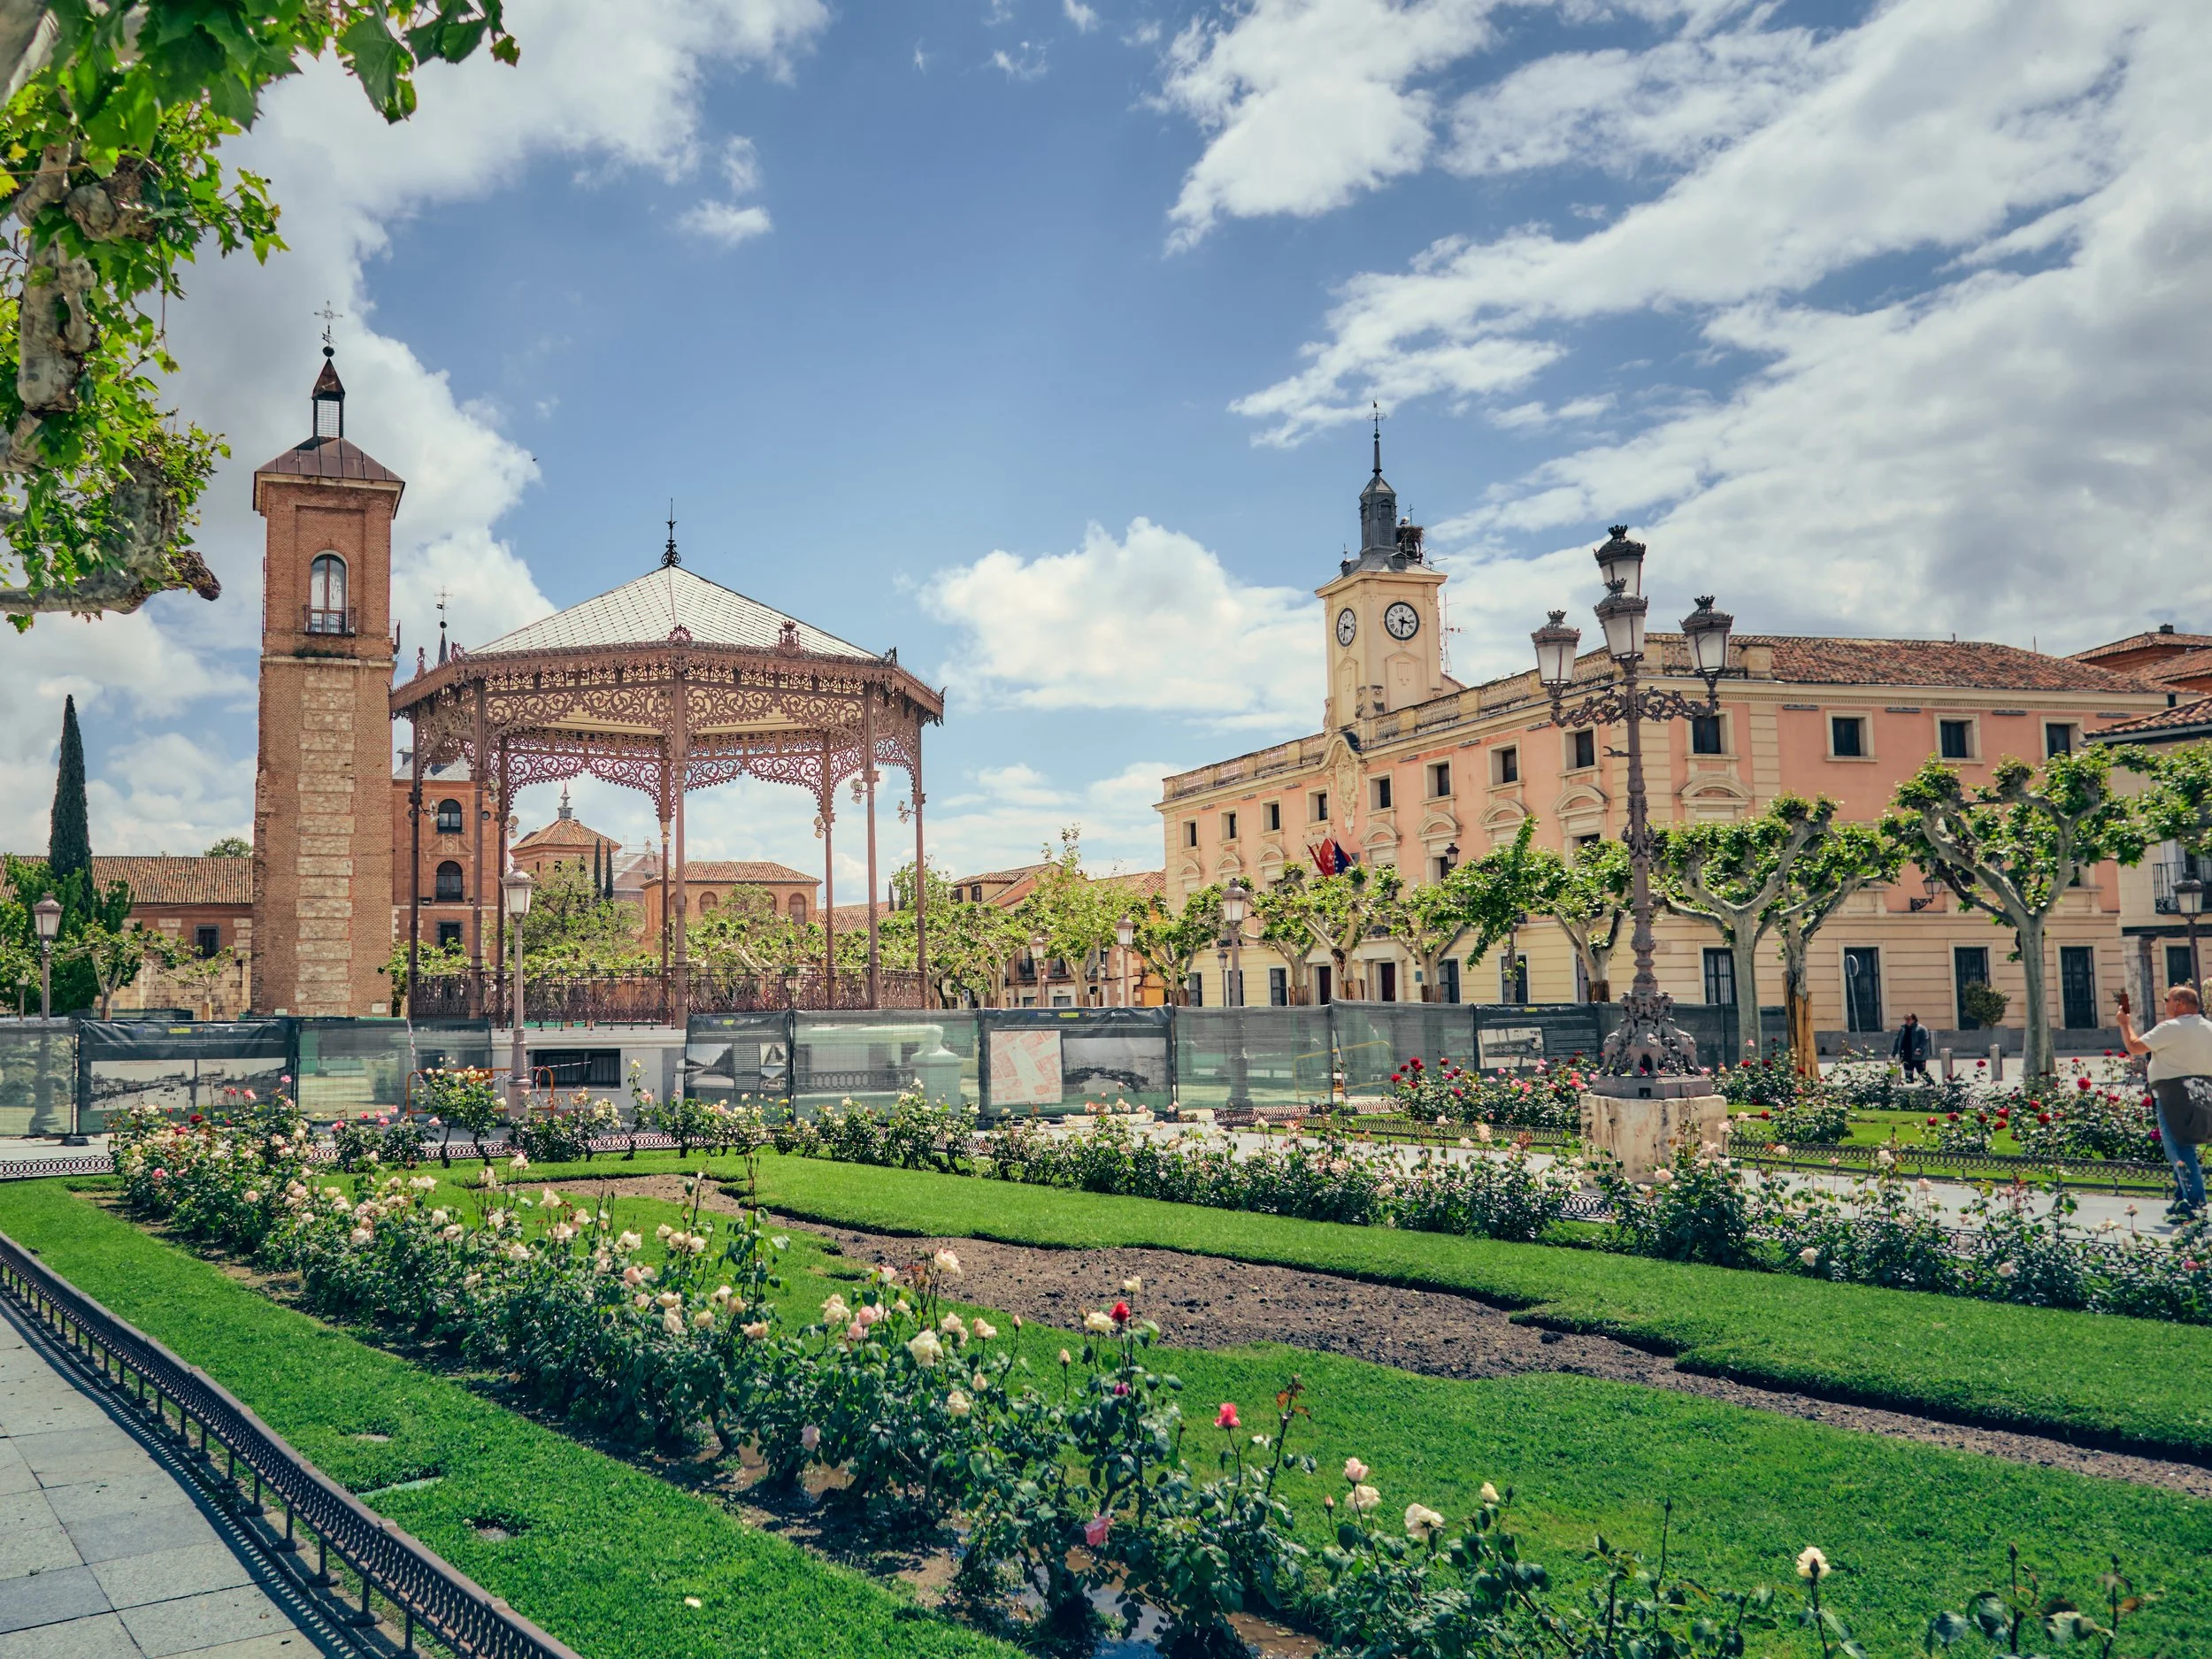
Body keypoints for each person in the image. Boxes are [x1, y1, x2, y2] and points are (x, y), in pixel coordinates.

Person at [2117, 986, 2212, 1220]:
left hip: (2174, 1094)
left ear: (2179, 1003)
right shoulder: (2208, 1028)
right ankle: (2182, 1197)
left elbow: (2134, 1046)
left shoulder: (2171, 1028)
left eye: (2167, 1000)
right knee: (2186, 1144)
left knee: (2177, 1147)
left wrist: (2123, 1022)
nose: (2165, 1004)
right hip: (2203, 1090)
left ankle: (2195, 1200)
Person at [1891, 1012, 1932, 1082]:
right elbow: (1897, 1041)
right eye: (1906, 1019)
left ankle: (1931, 1084)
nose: (1907, 1021)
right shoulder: (1903, 1029)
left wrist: (1919, 1049)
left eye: (1909, 1019)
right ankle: (1910, 1088)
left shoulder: (1921, 1029)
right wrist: (1894, 1053)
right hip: (1906, 1055)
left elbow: (1925, 1040)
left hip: (1918, 1056)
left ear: (1914, 1019)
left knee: (1922, 1072)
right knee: (1908, 1074)